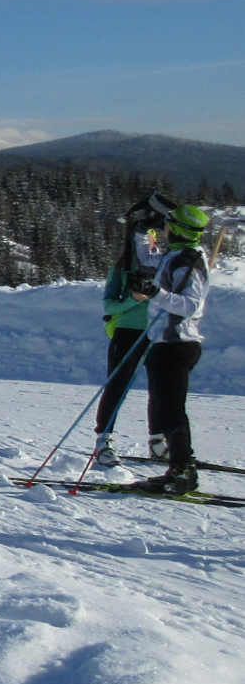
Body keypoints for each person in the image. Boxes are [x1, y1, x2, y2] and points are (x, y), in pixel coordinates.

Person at [129, 201, 211, 495]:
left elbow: (190, 305)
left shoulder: (188, 261)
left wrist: (155, 293)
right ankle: (179, 465)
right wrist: (140, 232)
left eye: (168, 223)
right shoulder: (175, 256)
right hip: (163, 343)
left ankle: (181, 472)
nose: (163, 227)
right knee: (164, 408)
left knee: (172, 410)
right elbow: (147, 261)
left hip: (177, 344)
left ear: (175, 228)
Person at [90, 193, 176, 469]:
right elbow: (108, 305)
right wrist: (132, 300)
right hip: (128, 330)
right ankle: (103, 441)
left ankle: (157, 440)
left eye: (156, 237)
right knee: (117, 386)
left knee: (160, 389)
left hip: (159, 332)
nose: (153, 241)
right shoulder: (122, 270)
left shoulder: (166, 264)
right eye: (149, 236)